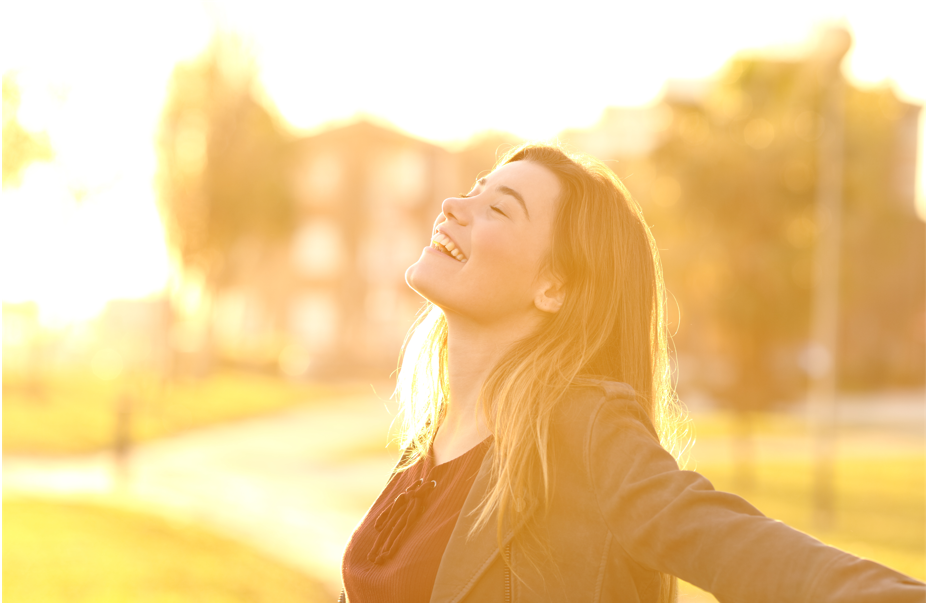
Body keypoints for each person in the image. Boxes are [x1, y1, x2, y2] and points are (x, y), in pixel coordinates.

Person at [340, 143, 925, 602]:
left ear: (554, 287)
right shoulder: (431, 437)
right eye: (476, 190)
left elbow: (728, 542)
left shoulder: (580, 427)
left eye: (496, 209)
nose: (453, 207)